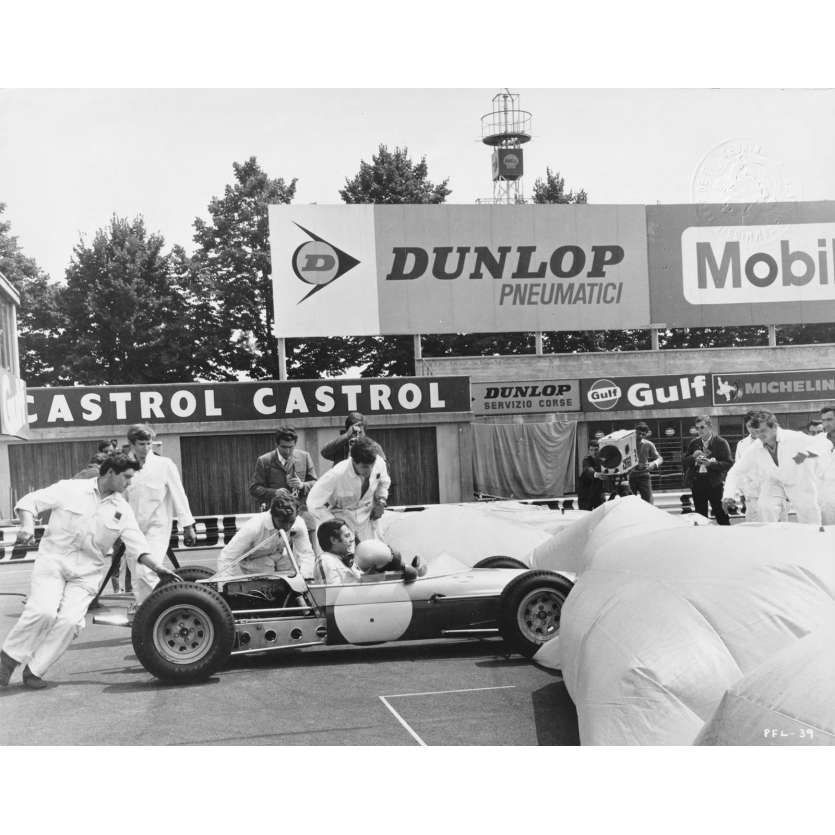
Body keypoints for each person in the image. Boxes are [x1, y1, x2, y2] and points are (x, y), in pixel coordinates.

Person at [0, 452, 180, 689]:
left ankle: (34, 670)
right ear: (111, 472)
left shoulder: (122, 509)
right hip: (53, 562)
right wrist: (27, 525)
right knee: (43, 612)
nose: (130, 483)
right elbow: (29, 502)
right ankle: (6, 662)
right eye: (126, 477)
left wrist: (158, 568)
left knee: (71, 621)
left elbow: (138, 545)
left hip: (87, 573)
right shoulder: (70, 489)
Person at [124, 424, 197, 611]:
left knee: (146, 570)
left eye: (149, 443)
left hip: (157, 526)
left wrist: (188, 526)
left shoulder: (164, 465)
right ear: (132, 444)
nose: (146, 448)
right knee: (137, 576)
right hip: (133, 529)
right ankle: (144, 611)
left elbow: (179, 494)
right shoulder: (124, 467)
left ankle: (167, 604)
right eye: (141, 444)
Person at [722, 410, 831, 525]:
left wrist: (804, 455)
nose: (760, 435)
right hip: (774, 481)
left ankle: (814, 534)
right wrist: (728, 495)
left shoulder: (794, 437)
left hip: (799, 481)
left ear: (774, 427)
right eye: (757, 432)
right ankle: (771, 534)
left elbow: (824, 444)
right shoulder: (756, 447)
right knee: (765, 506)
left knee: (810, 519)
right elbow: (735, 471)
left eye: (763, 430)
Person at [307, 436, 391, 542]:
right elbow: (313, 504)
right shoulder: (336, 474)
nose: (370, 470)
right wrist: (334, 524)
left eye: (372, 466)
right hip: (343, 520)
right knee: (348, 551)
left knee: (376, 550)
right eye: (365, 467)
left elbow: (383, 483)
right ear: (354, 461)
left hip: (369, 518)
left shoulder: (378, 462)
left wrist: (381, 501)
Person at [216, 492, 315, 579]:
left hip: (278, 556)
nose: (287, 527)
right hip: (254, 560)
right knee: (267, 569)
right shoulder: (254, 526)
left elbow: (306, 553)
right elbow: (227, 556)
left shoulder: (298, 523)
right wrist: (226, 585)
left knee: (293, 567)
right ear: (273, 514)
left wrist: (306, 578)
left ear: (296, 515)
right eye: (282, 521)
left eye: (291, 522)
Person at [250, 425, 318, 540]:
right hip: (277, 518)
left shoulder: (305, 457)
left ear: (295, 444)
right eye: (284, 447)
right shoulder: (264, 461)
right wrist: (274, 492)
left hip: (303, 515)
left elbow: (316, 484)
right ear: (276, 444)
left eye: (291, 447)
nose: (287, 451)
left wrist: (302, 485)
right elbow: (254, 489)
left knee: (309, 549)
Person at [313, 519, 422, 585]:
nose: (351, 539)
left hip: (362, 603)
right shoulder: (326, 560)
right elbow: (331, 595)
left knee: (396, 563)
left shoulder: (346, 559)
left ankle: (410, 570)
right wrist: (365, 580)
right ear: (333, 540)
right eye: (347, 536)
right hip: (349, 610)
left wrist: (369, 576)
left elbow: (357, 581)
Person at [682, 415, 732, 525]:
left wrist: (711, 464)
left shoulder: (721, 442)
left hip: (715, 483)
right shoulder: (694, 443)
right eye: (697, 428)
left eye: (702, 427)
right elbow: (684, 461)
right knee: (700, 516)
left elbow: (728, 463)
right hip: (697, 482)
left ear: (710, 426)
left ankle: (727, 534)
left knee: (721, 514)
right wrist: (694, 458)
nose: (699, 431)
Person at [627, 422, 663, 504]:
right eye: (638, 433)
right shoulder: (627, 444)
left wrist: (653, 464)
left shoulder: (649, 444)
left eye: (643, 434)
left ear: (646, 435)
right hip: (630, 476)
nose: (640, 436)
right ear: (635, 432)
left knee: (648, 502)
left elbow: (660, 458)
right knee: (629, 502)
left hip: (644, 476)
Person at [577, 440, 605, 510]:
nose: (594, 452)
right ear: (588, 451)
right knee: (586, 515)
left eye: (596, 450)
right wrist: (596, 474)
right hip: (586, 495)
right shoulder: (586, 460)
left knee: (600, 514)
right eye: (591, 450)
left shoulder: (602, 461)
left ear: (599, 450)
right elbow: (588, 469)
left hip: (598, 495)